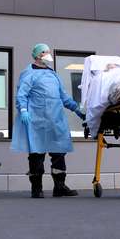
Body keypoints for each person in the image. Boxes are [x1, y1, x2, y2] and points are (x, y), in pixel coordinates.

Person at [10, 43, 85, 198]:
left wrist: (77, 109)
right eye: (46, 52)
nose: (48, 55)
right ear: (38, 55)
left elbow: (63, 96)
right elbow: (21, 94)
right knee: (37, 155)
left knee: (59, 154)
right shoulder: (28, 73)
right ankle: (36, 189)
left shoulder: (53, 74)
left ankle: (59, 187)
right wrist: (23, 109)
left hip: (55, 120)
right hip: (37, 121)